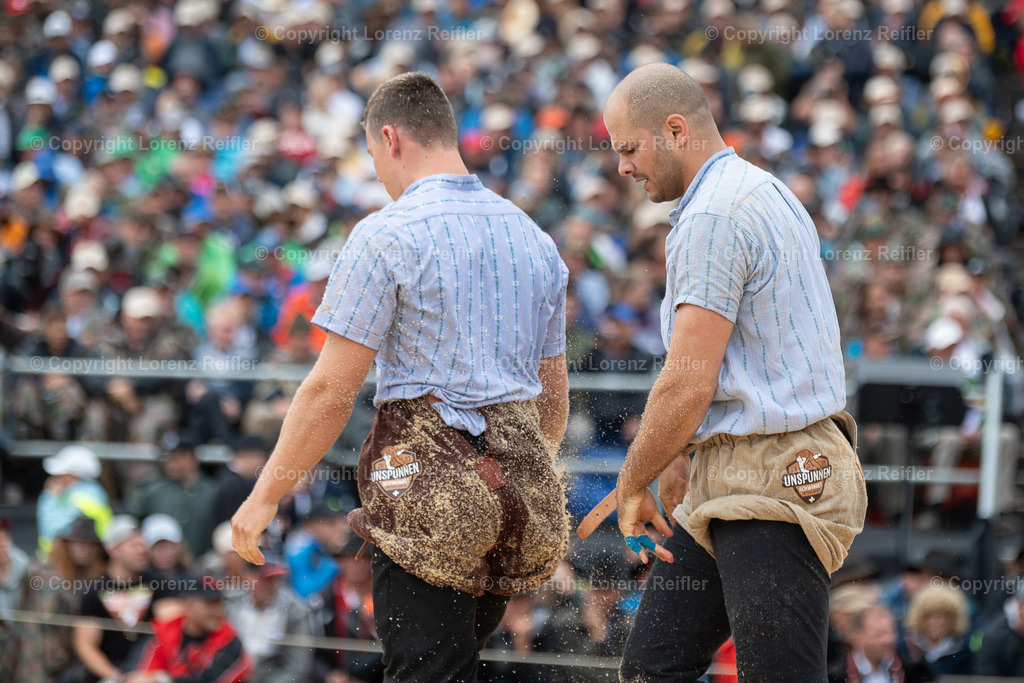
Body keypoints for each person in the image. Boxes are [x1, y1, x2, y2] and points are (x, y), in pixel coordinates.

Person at [232, 71, 571, 682]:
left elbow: (329, 391)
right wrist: (518, 480)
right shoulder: (535, 238)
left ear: (390, 138)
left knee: (425, 673)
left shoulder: (386, 233)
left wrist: (265, 494)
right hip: (522, 489)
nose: (377, 171)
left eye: (371, 154)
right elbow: (553, 396)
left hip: (427, 483)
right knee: (455, 665)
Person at [602, 63, 868, 682]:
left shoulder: (715, 215)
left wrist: (631, 481)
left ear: (674, 130)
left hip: (774, 473)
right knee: (652, 667)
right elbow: (712, 372)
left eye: (629, 148)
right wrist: (676, 454)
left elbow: (690, 378)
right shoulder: (754, 189)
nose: (623, 167)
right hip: (739, 469)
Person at [73, 516, 178, 683]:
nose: (142, 550)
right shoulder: (94, 592)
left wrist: (146, 676)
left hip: (150, 673)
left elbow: (173, 631)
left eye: (143, 544)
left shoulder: (160, 585)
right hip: (110, 676)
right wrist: (118, 677)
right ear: (113, 550)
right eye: (134, 545)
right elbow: (85, 646)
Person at [132, 576, 253, 683]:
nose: (218, 611)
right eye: (210, 604)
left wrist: (163, 679)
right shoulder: (165, 633)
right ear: (187, 606)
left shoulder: (230, 641)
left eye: (219, 604)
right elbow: (146, 674)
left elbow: (212, 680)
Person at [128, 432, 217, 557]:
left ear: (193, 458)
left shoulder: (212, 492)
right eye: (167, 459)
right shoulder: (152, 492)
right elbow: (134, 522)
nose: (170, 465)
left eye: (176, 458)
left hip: (204, 563)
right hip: (160, 569)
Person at [226, 563, 313, 683]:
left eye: (276, 580)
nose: (273, 586)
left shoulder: (295, 611)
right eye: (265, 579)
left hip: (271, 678)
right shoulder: (229, 603)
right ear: (248, 577)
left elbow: (298, 666)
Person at [37, 444, 113, 555]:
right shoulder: (93, 492)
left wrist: (50, 498)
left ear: (73, 475)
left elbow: (52, 531)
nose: (55, 477)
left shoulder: (81, 498)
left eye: (60, 473)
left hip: (69, 564)